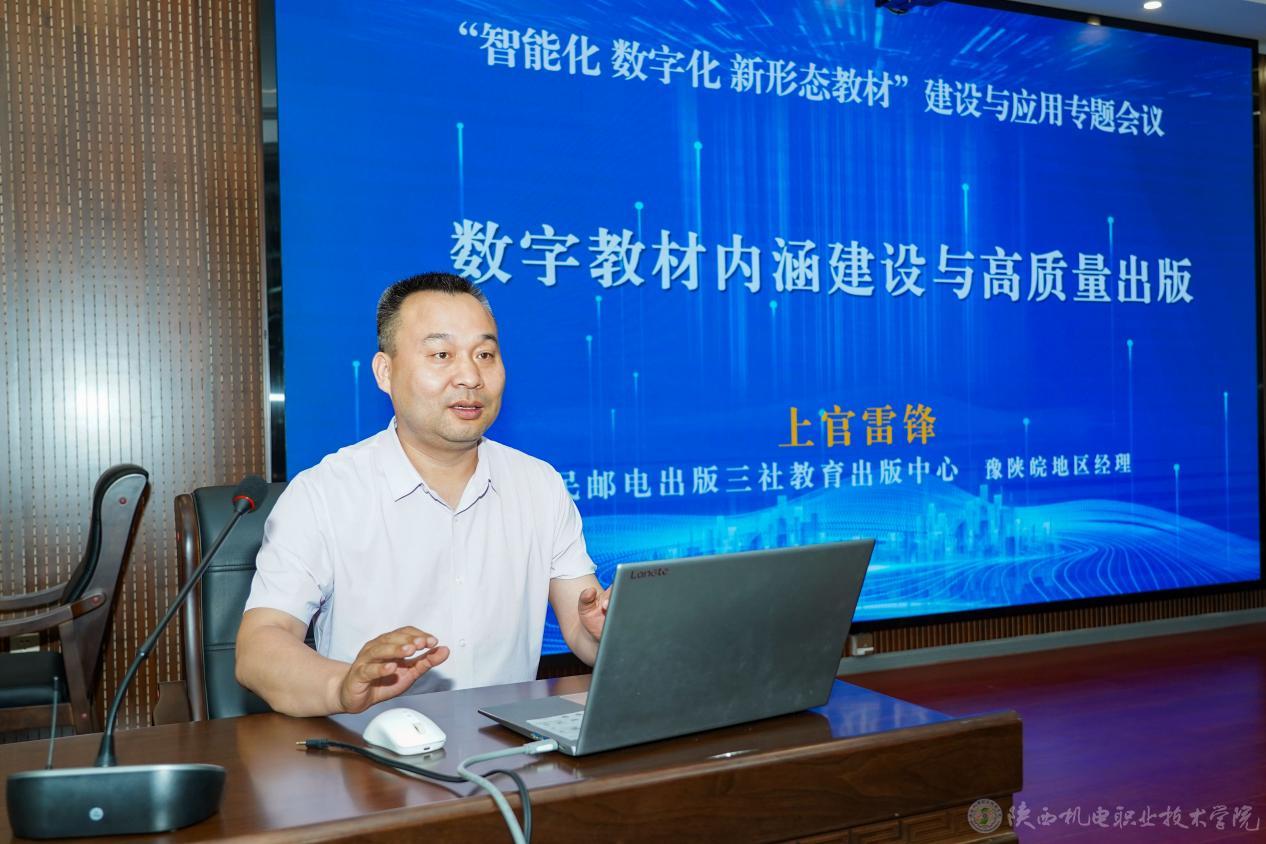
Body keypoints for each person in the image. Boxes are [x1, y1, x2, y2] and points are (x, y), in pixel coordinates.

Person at [235, 272, 610, 716]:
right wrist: (343, 685)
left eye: (485, 354)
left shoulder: (538, 485)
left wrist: (604, 632)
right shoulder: (323, 494)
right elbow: (260, 647)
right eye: (441, 355)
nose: (470, 376)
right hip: (371, 748)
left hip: (509, 745)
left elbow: (584, 633)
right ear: (385, 372)